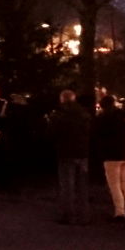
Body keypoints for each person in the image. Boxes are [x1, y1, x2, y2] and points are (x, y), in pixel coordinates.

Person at [48, 89, 91, 225]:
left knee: (67, 185)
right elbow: (90, 131)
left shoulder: (59, 114)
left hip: (66, 152)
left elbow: (51, 132)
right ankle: (83, 215)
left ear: (62, 99)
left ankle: (68, 214)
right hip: (82, 153)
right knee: (82, 186)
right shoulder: (84, 113)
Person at [92, 95, 125, 220]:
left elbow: (97, 136)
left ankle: (120, 211)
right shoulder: (123, 117)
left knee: (114, 185)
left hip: (110, 155)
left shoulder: (102, 119)